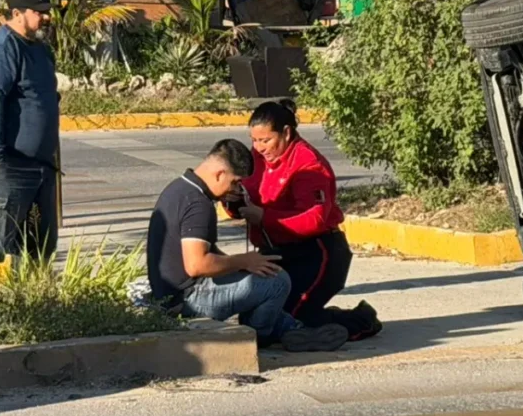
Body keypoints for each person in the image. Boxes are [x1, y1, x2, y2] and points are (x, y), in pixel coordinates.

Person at [146, 138, 350, 352]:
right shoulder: (199, 205)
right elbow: (197, 265)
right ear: (219, 174)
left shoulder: (179, 189)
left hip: (172, 295)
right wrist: (244, 261)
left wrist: (244, 266)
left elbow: (205, 255)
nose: (234, 189)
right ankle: (260, 335)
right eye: (235, 182)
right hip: (187, 301)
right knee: (277, 281)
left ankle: (292, 329)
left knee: (261, 274)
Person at [224, 100, 382, 340]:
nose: (259, 147)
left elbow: (315, 219)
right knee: (260, 316)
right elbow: (241, 204)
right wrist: (233, 200)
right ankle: (319, 319)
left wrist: (265, 217)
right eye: (255, 140)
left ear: (286, 133)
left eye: (266, 140)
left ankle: (361, 320)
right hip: (275, 249)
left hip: (316, 252)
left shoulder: (309, 164)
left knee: (294, 318)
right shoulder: (256, 158)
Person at [0, 0, 60, 284]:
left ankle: (31, 302)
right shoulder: (0, 50)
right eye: (39, 13)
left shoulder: (39, 50)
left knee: (38, 244)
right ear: (16, 13)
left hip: (40, 166)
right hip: (8, 164)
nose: (46, 18)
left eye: (48, 12)